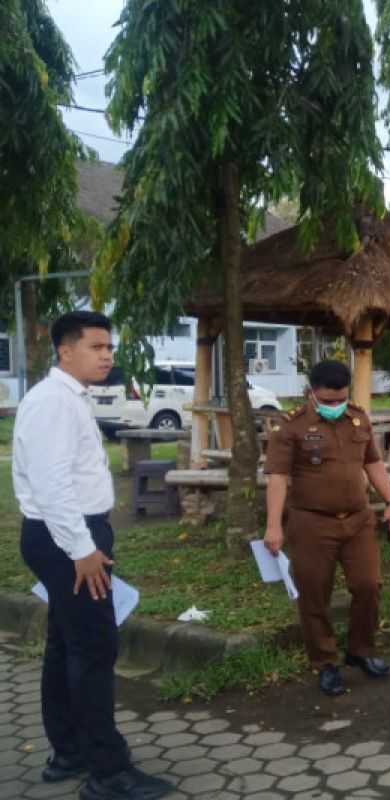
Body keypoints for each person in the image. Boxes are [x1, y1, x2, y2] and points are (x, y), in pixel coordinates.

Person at [15, 311, 173, 800]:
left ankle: (70, 752)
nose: (107, 355)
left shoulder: (67, 398)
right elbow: (51, 483)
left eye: (109, 347)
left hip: (70, 535)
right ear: (66, 351)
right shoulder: (53, 403)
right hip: (68, 539)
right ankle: (108, 773)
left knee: (67, 643)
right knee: (94, 648)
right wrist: (83, 550)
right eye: (96, 347)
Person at [264, 360, 390, 696]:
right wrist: (273, 527)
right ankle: (326, 663)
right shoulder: (290, 426)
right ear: (311, 392)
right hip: (311, 523)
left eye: (339, 399)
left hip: (357, 520)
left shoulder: (358, 418)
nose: (333, 406)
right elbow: (278, 478)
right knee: (314, 594)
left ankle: (361, 651)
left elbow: (373, 463)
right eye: (326, 401)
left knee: (368, 584)